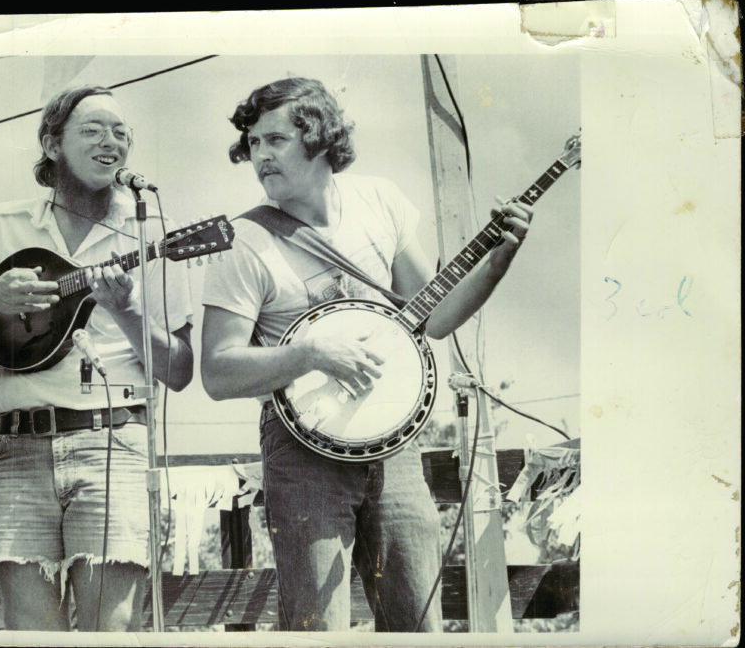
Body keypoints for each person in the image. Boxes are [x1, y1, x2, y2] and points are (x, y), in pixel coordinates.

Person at [200, 77, 534, 631]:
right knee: (318, 630)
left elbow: (436, 315)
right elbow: (216, 371)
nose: (261, 156)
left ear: (319, 138)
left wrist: (497, 264)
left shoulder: (380, 201)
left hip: (394, 444)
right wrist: (310, 353)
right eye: (253, 143)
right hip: (301, 453)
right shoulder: (244, 243)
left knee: (417, 624)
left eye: (276, 140)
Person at [0, 85, 194, 631]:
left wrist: (129, 311)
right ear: (51, 144)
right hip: (18, 448)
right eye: (92, 130)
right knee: (30, 633)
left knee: (110, 630)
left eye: (120, 132)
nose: (110, 141)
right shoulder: (1, 225)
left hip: (115, 443)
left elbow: (180, 371)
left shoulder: (150, 232)